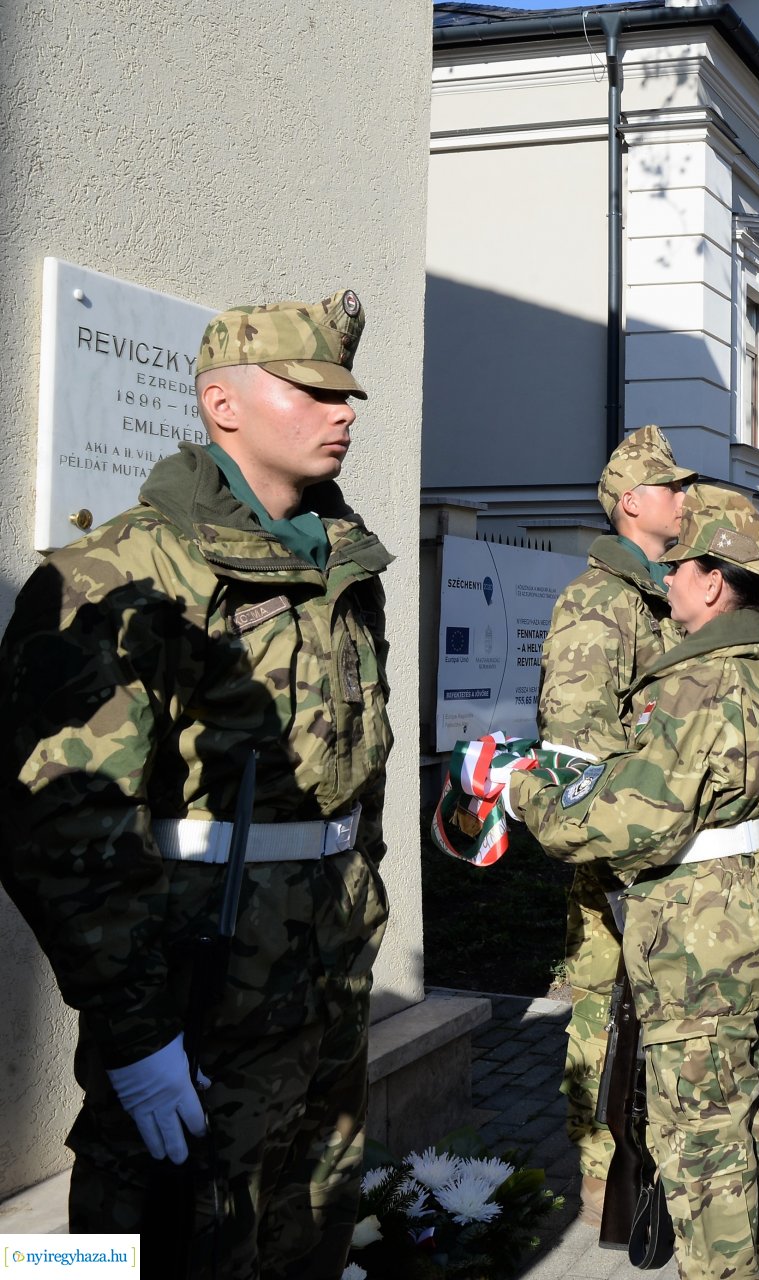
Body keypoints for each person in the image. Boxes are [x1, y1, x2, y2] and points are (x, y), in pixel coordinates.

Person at [0, 290, 392, 1276]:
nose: (343, 413)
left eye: (347, 396)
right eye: (312, 392)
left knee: (311, 1228)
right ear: (223, 405)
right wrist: (137, 1034)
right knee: (175, 1239)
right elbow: (59, 827)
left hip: (326, 988)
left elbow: (354, 783)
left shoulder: (343, 566)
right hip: (198, 998)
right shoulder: (119, 573)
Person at [485, 485, 759, 1280]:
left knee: (699, 1144)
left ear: (713, 581)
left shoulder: (700, 684)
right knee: (747, 1118)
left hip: (703, 930)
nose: (666, 578)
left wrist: (521, 791)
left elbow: (625, 821)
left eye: (678, 567)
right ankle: (757, 1263)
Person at [537, 426, 692, 1221]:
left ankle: (648, 1154)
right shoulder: (599, 601)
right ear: (632, 502)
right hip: (618, 853)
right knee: (605, 1009)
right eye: (672, 487)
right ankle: (602, 1173)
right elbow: (574, 745)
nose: (684, 499)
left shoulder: (658, 594)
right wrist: (625, 842)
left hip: (661, 846)